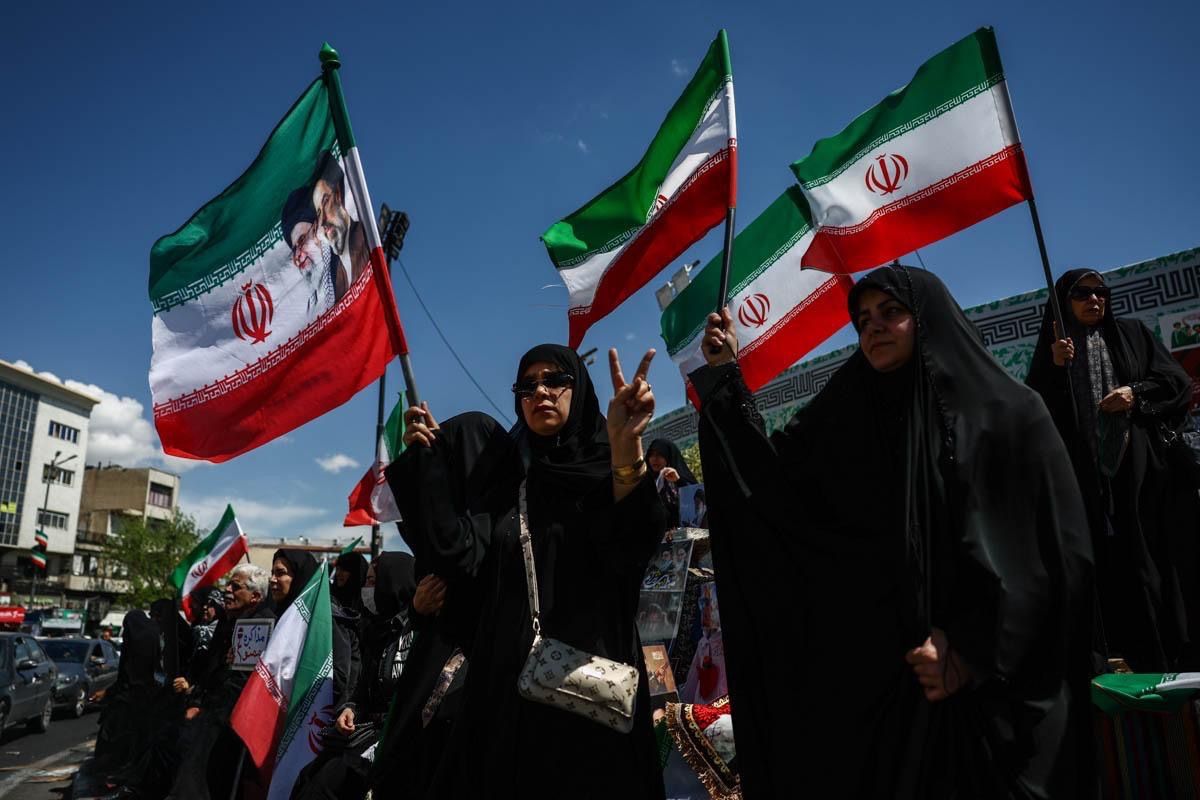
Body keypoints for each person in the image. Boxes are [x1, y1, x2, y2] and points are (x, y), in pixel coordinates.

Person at [692, 265, 1094, 798]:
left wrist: (972, 651)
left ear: (927, 317)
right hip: (896, 707)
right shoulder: (850, 420)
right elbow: (779, 499)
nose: (874, 328)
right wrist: (724, 381)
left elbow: (1056, 561)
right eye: (862, 320)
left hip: (1002, 706)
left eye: (891, 312)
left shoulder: (1010, 416)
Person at [392, 344, 669, 798]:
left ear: (578, 391)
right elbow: (455, 556)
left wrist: (627, 444)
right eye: (528, 385)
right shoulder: (517, 489)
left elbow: (636, 541)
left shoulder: (607, 469)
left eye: (555, 380)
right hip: (511, 701)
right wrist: (429, 465)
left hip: (588, 701)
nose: (540, 391)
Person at [1026, 269, 1200, 671]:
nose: (1094, 300)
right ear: (1062, 304)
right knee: (1102, 571)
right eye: (1082, 293)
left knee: (1151, 562)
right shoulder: (1054, 350)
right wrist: (1054, 368)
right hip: (1084, 485)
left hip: (1139, 476)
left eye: (1100, 292)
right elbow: (1035, 416)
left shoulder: (1132, 334)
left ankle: (1173, 655)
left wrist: (1133, 393)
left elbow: (1174, 382)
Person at [646, 439, 698, 528]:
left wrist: (679, 481)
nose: (654, 459)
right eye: (651, 455)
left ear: (669, 456)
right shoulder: (645, 482)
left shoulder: (681, 479)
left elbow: (696, 503)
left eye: (660, 454)